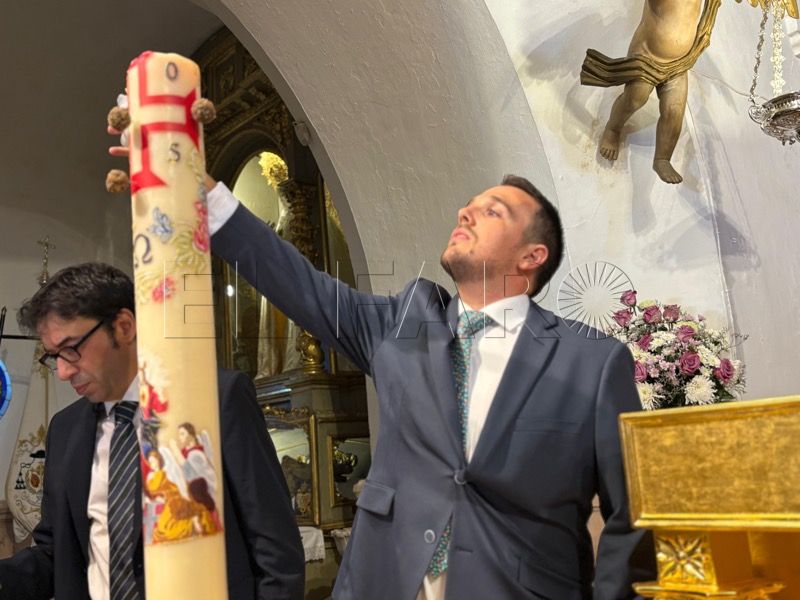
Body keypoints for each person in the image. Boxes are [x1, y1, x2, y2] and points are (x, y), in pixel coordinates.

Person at [108, 127, 654, 597]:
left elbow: (633, 516)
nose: (465, 211)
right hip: (383, 581)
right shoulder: (397, 326)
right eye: (470, 204)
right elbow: (296, 281)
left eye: (493, 211)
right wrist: (200, 191)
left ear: (532, 256)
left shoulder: (591, 362)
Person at [0, 262, 305, 600]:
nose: (62, 371)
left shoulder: (214, 400)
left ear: (124, 326)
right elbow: (57, 554)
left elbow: (276, 551)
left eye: (71, 349)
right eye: (53, 356)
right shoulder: (65, 429)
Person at [581, 0, 722, 184]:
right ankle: (613, 128)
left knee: (675, 111)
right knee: (635, 99)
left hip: (679, 65)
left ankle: (662, 158)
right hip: (647, 57)